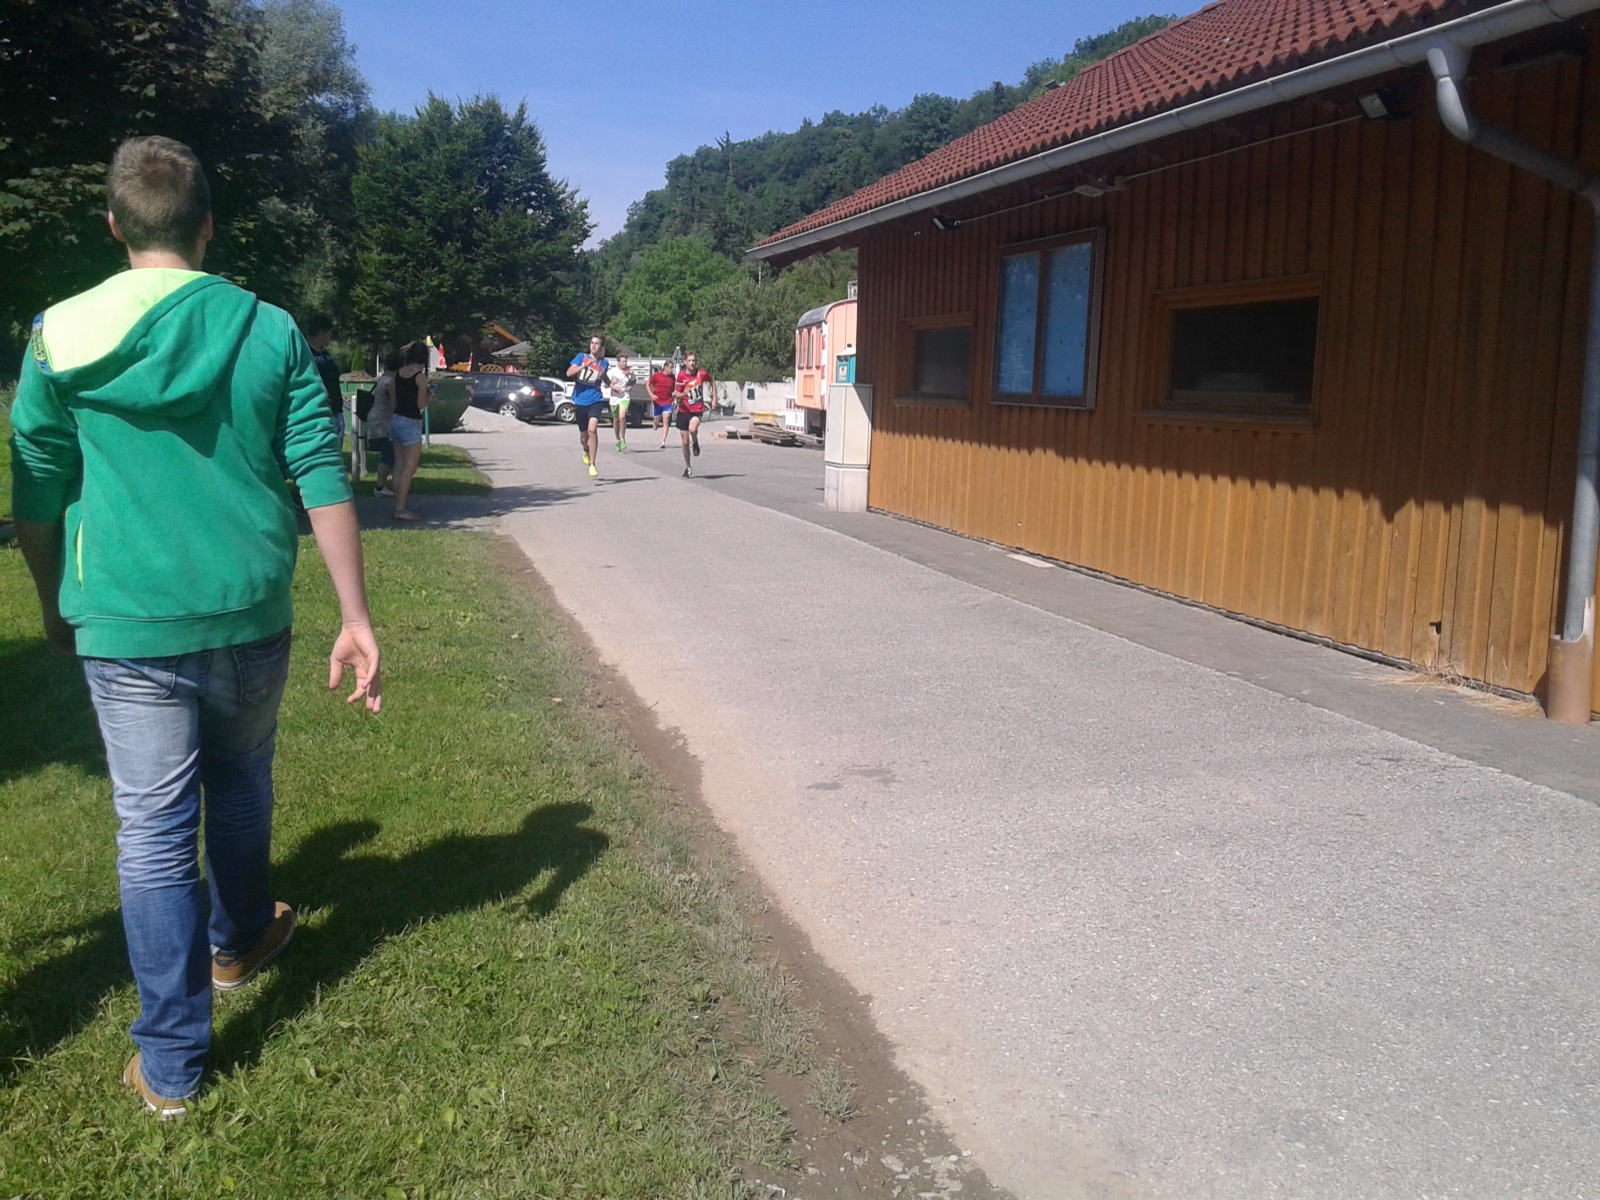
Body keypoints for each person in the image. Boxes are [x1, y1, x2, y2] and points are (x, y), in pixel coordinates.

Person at [8, 135, 381, 1119]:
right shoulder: (266, 327)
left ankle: (173, 1066)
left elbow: (36, 483)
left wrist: (51, 600)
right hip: (250, 610)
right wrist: (354, 614)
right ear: (207, 225)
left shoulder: (58, 333)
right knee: (242, 783)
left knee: (154, 832)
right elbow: (319, 467)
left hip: (126, 620)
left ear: (115, 226)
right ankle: (241, 938)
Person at [390, 341, 430, 521]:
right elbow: (420, 404)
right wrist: (430, 396)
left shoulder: (399, 373)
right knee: (410, 467)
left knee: (399, 466)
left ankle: (397, 504)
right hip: (411, 422)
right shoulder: (421, 377)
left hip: (396, 419)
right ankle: (401, 509)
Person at [566, 334, 610, 479]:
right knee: (584, 437)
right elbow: (569, 372)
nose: (593, 345)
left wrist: (612, 385)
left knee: (592, 429)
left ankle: (592, 464)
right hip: (580, 401)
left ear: (601, 347)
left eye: (597, 343)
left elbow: (604, 376)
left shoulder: (604, 363)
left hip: (596, 399)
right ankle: (586, 449)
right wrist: (583, 366)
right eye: (592, 343)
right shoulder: (581, 357)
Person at [303, 314, 344, 444]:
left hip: (335, 411)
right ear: (321, 333)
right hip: (319, 413)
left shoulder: (325, 354)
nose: (330, 338)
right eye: (329, 334)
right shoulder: (305, 353)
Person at [674, 352, 712, 477]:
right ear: (685, 362)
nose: (692, 363)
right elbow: (677, 395)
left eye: (694, 360)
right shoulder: (681, 376)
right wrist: (684, 394)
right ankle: (688, 467)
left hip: (696, 409)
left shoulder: (701, 374)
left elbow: (712, 380)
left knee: (692, 428)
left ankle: (695, 442)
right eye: (689, 360)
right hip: (683, 410)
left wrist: (714, 399)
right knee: (685, 442)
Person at [368, 351, 399, 497]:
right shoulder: (390, 382)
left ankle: (384, 485)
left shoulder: (382, 379)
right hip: (380, 422)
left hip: (376, 419)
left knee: (389, 453)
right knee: (388, 454)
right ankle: (379, 487)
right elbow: (393, 403)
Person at [606, 353, 633, 452]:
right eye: (623, 361)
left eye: (626, 361)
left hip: (624, 396)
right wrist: (612, 383)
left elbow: (632, 382)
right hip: (614, 398)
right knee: (616, 420)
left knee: (622, 416)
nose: (625, 363)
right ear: (618, 362)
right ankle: (617, 439)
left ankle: (623, 439)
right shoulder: (612, 372)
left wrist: (630, 387)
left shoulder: (629, 371)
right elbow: (605, 385)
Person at [649, 360, 675, 448]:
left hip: (667, 401)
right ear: (665, 367)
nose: (672, 370)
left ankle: (663, 441)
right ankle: (656, 423)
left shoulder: (672, 377)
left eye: (673, 368)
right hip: (657, 402)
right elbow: (647, 384)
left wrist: (674, 394)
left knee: (666, 419)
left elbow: (673, 388)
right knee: (657, 421)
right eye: (670, 368)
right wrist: (651, 395)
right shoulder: (657, 376)